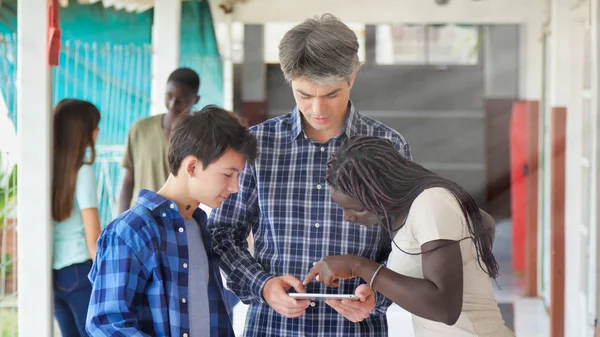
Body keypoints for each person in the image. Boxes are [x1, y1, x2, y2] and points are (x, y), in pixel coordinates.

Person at [208, 14, 411, 336]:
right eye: (304, 94)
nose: (318, 108)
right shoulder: (257, 146)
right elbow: (222, 233)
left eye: (331, 94)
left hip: (356, 328)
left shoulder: (388, 147)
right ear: (289, 81)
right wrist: (262, 285)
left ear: (353, 76)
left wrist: (379, 295)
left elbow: (406, 244)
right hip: (273, 326)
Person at [304, 136, 515, 337]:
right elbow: (485, 224)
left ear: (381, 189)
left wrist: (358, 266)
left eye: (356, 209)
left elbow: (445, 309)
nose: (348, 218)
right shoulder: (413, 211)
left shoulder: (431, 203)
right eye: (343, 209)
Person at [86, 106, 256, 337]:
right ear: (192, 166)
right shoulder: (130, 231)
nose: (235, 187)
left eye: (238, 176)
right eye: (227, 174)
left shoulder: (201, 228)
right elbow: (106, 324)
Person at [52, 99, 102, 337]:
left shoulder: (49, 170)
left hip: (54, 274)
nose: (98, 131)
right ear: (82, 132)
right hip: (81, 272)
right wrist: (106, 277)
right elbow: (93, 236)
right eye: (95, 126)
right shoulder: (82, 172)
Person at [118, 67, 200, 214]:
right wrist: (120, 217)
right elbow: (129, 180)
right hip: (141, 219)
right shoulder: (140, 129)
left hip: (180, 220)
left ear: (196, 100)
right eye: (169, 95)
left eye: (182, 98)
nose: (173, 103)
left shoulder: (200, 136)